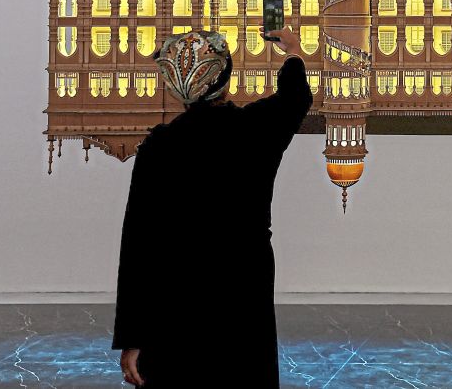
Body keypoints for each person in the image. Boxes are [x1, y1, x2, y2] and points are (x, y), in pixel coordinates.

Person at [113, 26, 312, 388]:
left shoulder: (160, 147)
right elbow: (296, 97)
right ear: (224, 78)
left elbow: (139, 244)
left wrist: (133, 336)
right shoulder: (256, 129)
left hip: (176, 296)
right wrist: (293, 51)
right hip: (243, 281)